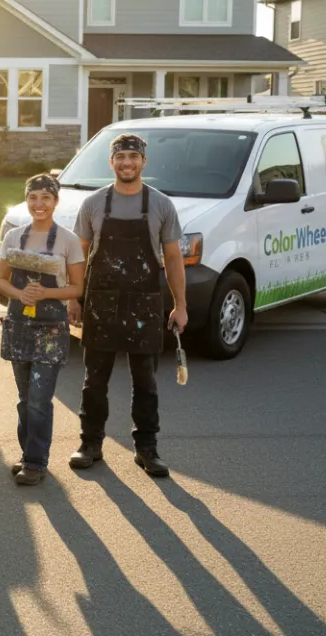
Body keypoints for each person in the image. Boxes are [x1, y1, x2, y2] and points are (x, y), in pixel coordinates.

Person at [67, 133, 187, 478]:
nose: (127, 163)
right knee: (94, 380)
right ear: (111, 163)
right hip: (100, 302)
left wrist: (180, 306)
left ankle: (147, 449)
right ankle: (90, 444)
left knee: (145, 381)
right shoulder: (93, 204)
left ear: (143, 162)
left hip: (145, 304)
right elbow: (79, 256)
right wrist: (75, 299)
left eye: (133, 157)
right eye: (121, 158)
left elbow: (174, 258)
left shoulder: (162, 205)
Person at [0, 174, 85, 486]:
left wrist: (45, 293)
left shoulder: (68, 240)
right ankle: (26, 454)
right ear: (27, 200)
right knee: (24, 397)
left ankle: (36, 462)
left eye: (45, 198)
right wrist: (20, 294)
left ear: (55, 202)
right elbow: (1, 280)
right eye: (33, 198)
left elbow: (77, 287)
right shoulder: (13, 238)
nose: (39, 204)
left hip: (50, 328)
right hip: (19, 324)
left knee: (39, 398)